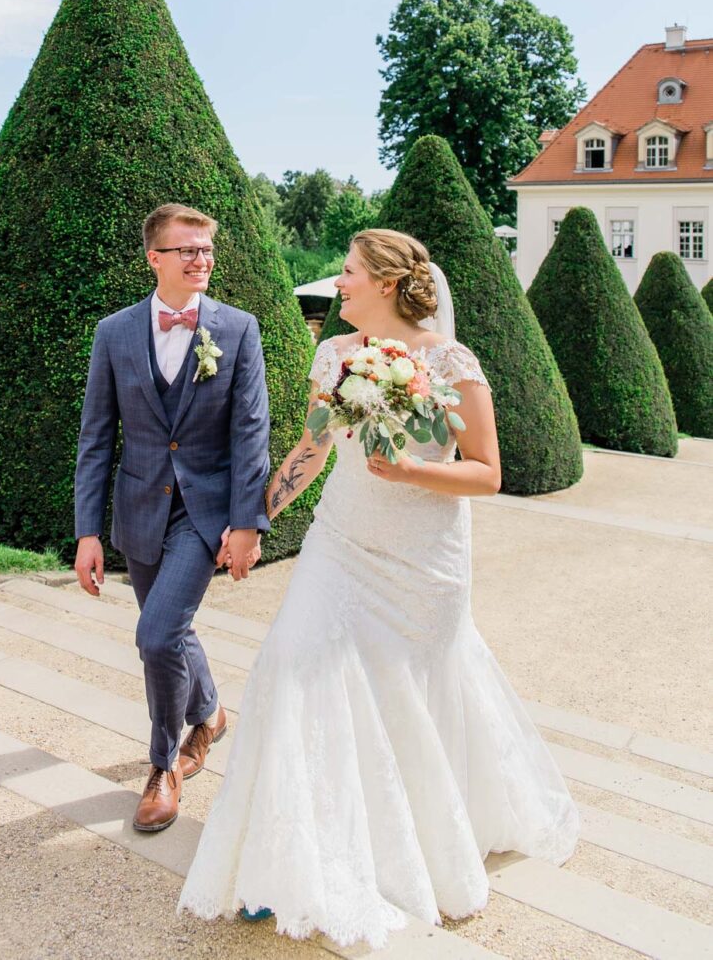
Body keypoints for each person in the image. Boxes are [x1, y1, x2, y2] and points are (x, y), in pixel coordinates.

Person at [179, 228, 578, 947]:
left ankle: (404, 847)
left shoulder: (454, 362)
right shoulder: (333, 356)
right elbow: (311, 448)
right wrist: (253, 521)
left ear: (388, 283)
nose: (339, 283)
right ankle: (288, 854)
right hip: (341, 542)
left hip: (424, 563)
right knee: (290, 664)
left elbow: (487, 471)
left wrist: (411, 471)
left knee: (403, 698)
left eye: (350, 271)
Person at [74, 203, 270, 835]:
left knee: (157, 637)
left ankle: (165, 765)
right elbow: (96, 438)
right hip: (138, 510)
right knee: (172, 632)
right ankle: (210, 710)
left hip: (206, 513)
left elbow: (251, 432)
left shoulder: (238, 330)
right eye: (186, 249)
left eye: (206, 249)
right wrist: (88, 531)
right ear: (154, 258)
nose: (200, 259)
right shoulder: (114, 333)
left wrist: (247, 522)